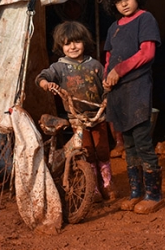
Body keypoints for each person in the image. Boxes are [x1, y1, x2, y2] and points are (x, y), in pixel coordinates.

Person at [36, 21, 117, 201]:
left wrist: (107, 92)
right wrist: (46, 84)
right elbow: (42, 77)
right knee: (86, 151)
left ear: (84, 42)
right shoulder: (59, 67)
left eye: (77, 42)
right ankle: (92, 188)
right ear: (60, 46)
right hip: (76, 118)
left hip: (97, 115)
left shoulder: (94, 64)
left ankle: (107, 183)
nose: (73, 47)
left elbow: (105, 86)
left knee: (102, 150)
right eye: (67, 43)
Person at [102, 0, 163, 214]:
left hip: (137, 88)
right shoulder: (113, 28)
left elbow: (147, 53)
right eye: (118, 1)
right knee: (127, 144)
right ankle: (136, 192)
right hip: (119, 93)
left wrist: (120, 69)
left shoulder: (145, 19)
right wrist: (107, 77)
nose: (124, 4)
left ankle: (154, 194)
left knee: (143, 142)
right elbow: (108, 58)